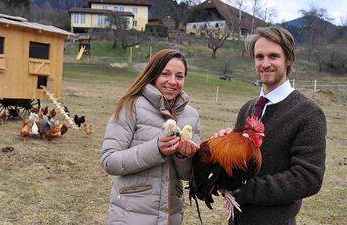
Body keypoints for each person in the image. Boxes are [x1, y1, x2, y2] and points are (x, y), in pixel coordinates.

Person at [215, 26, 327, 225]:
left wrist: (242, 189)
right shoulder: (247, 108)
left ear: (289, 59)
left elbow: (308, 178)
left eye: (273, 56)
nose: (265, 63)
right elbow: (242, 165)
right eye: (259, 57)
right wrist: (224, 152)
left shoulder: (309, 113)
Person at [101, 49, 201, 225]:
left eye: (179, 76)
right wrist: (156, 150)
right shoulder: (131, 106)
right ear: (153, 74)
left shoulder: (191, 116)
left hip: (171, 216)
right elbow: (109, 161)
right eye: (165, 74)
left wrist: (184, 155)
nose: (172, 81)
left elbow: (187, 175)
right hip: (130, 214)